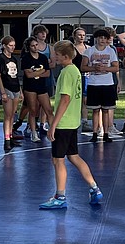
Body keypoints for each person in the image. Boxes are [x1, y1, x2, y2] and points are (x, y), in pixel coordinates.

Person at [40, 41, 104, 210]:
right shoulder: (75, 71)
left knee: (57, 160)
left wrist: (53, 124)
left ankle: (60, 196)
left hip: (64, 123)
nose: (54, 57)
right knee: (73, 156)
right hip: (72, 121)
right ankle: (94, 188)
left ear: (65, 56)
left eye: (57, 55)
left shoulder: (67, 72)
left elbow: (66, 99)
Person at [85, 27, 119, 142]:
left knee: (106, 110)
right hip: (94, 83)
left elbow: (116, 67)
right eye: (100, 38)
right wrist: (94, 68)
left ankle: (106, 133)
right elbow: (83, 67)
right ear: (96, 39)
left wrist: (106, 68)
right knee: (95, 110)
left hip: (107, 83)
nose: (103, 40)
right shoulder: (89, 51)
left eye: (105, 38)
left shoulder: (110, 51)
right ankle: (95, 133)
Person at [0, 35, 23, 153]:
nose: (12, 48)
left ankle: (10, 136)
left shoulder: (14, 59)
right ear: (4, 46)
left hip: (15, 87)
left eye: (14, 46)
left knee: (13, 115)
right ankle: (7, 140)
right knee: (8, 115)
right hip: (7, 87)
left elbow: (15, 76)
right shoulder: (0, 58)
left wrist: (20, 91)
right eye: (10, 46)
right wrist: (3, 92)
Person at [21, 34, 54, 142]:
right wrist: (41, 71)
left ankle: (53, 131)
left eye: (36, 45)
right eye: (33, 46)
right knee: (33, 110)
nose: (36, 47)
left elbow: (47, 73)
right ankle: (34, 132)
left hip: (41, 86)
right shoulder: (26, 58)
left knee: (48, 109)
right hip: (30, 87)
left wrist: (36, 73)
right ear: (29, 47)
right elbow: (28, 75)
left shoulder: (43, 57)